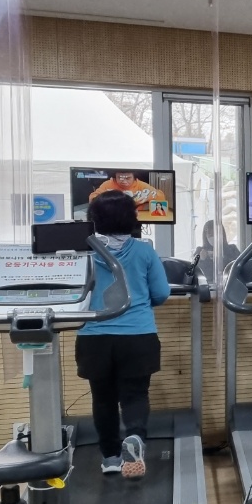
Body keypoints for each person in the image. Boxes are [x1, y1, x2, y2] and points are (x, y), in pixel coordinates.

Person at [74, 190, 170, 479]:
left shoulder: (83, 253)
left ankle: (111, 458)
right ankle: (135, 437)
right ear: (132, 219)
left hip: (94, 336)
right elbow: (161, 293)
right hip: (138, 335)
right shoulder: (144, 251)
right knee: (135, 395)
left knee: (102, 398)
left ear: (93, 219)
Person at [89, 170, 168, 218]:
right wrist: (110, 198)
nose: (124, 181)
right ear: (114, 177)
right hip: (112, 218)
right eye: (120, 177)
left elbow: (161, 196)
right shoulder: (108, 184)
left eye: (128, 178)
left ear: (134, 177)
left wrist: (147, 197)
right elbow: (93, 198)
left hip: (136, 218)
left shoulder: (140, 185)